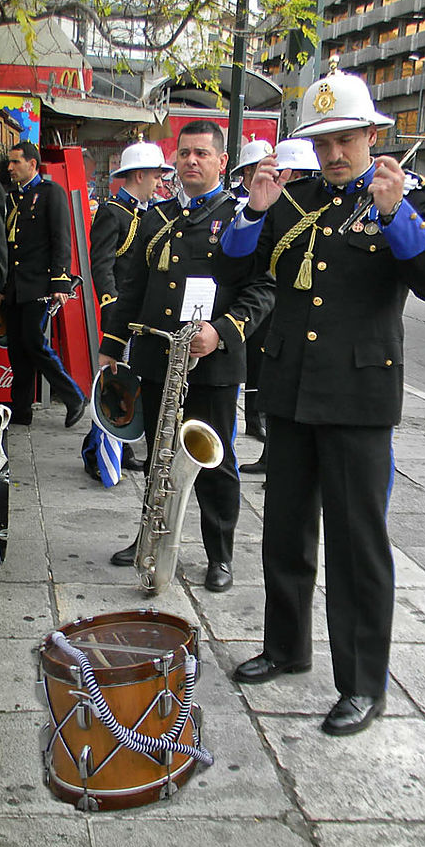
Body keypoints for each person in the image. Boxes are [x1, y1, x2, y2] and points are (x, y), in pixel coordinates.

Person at [220, 63, 425, 736]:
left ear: (372, 135)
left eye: (345, 140)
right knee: (284, 531)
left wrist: (395, 215)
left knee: (357, 546)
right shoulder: (295, 201)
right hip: (290, 390)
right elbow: (235, 265)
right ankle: (286, 647)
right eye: (321, 143)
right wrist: (253, 209)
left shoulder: (404, 198)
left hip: (358, 398)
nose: (332, 154)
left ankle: (362, 684)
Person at [98, 120, 275, 591]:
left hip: (212, 365)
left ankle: (219, 555)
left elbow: (261, 289)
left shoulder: (241, 216)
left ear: (222, 162)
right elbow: (132, 284)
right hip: (158, 358)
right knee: (158, 454)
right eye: (183, 154)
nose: (190, 161)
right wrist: (112, 346)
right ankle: (148, 539)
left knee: (215, 464)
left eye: (201, 153)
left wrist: (221, 333)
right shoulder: (155, 217)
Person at [81, 140, 174, 483]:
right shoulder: (113, 212)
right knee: (113, 383)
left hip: (142, 315)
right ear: (138, 175)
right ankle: (99, 452)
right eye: (154, 175)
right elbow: (102, 264)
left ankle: (119, 444)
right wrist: (111, 306)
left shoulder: (150, 214)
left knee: (129, 382)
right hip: (122, 312)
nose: (159, 182)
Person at [238, 137, 321, 478]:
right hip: (269, 312)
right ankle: (267, 445)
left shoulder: (327, 209)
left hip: (301, 325)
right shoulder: (265, 207)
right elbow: (238, 266)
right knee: (263, 375)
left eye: (301, 175)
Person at [1, 141, 87, 428]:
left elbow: (61, 239)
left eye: (15, 162)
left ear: (32, 165)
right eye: (9, 163)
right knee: (17, 347)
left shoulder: (51, 194)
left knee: (35, 342)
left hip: (39, 285)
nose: (10, 168)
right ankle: (21, 409)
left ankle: (73, 396)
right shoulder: (13, 197)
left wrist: (60, 282)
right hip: (14, 285)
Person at [229, 138, 274, 443]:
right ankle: (244, 418)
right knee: (237, 361)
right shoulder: (232, 207)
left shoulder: (282, 207)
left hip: (271, 298)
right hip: (238, 298)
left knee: (263, 364)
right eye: (251, 172)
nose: (257, 176)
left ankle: (257, 421)